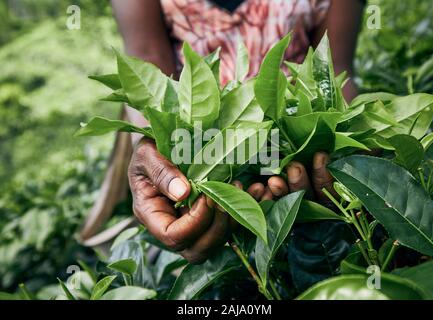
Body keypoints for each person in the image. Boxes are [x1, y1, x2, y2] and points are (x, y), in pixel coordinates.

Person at [111, 0, 364, 264]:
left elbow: (332, 70)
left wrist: (343, 153)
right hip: (204, 154)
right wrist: (156, 156)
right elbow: (151, 75)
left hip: (290, 149)